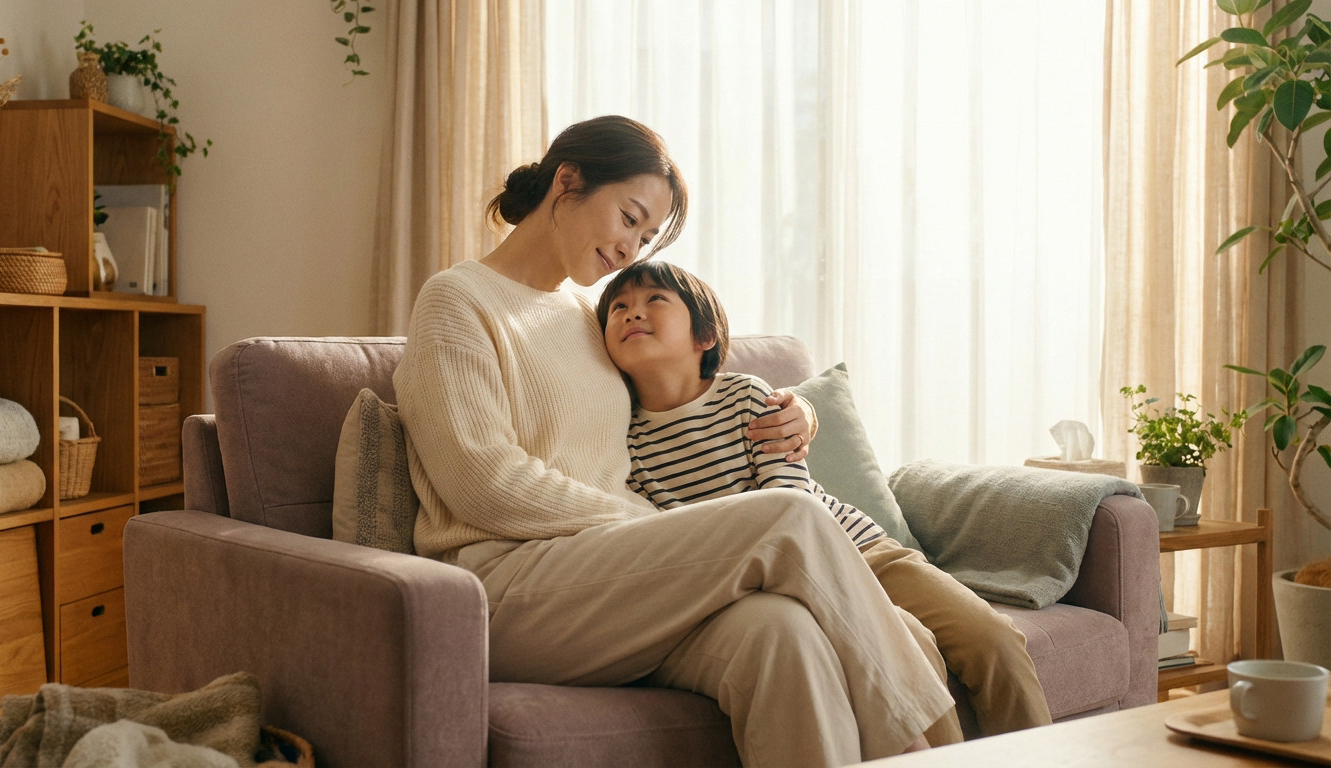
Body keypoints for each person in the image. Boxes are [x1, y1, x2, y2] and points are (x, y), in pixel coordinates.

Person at [393, 115, 955, 766]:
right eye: (629, 218)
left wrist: (800, 407)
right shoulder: (458, 302)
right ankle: (930, 751)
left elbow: (685, 399)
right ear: (567, 182)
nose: (632, 248)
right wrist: (645, 522)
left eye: (647, 235)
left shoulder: (588, 318)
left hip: (613, 578)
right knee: (787, 517)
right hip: (507, 591)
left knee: (782, 634)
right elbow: (480, 480)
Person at [594, 258, 1055, 737]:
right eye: (618, 308)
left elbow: (790, 500)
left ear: (704, 336)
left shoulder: (747, 397)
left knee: (993, 637)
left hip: (861, 551)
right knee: (909, 643)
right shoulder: (626, 443)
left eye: (654, 300)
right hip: (777, 583)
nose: (632, 313)